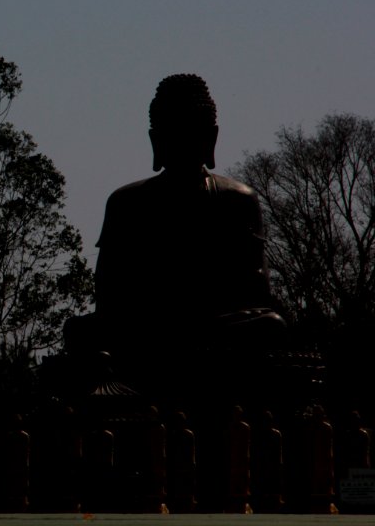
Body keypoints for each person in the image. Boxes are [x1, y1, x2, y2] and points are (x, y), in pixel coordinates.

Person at [65, 74, 285, 375]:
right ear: (156, 140)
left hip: (217, 324)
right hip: (148, 325)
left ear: (211, 137)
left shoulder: (237, 199)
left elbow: (256, 287)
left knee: (270, 325)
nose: (182, 143)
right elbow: (109, 291)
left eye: (191, 133)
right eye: (173, 134)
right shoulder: (127, 202)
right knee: (82, 331)